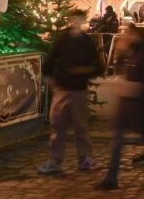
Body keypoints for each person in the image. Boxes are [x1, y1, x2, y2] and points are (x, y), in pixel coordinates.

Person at [95, 26, 144, 190]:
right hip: (126, 105)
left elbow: (142, 83)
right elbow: (122, 71)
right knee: (118, 141)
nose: (125, 36)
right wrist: (121, 53)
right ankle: (111, 178)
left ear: (137, 36)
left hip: (138, 105)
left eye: (129, 33)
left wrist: (125, 87)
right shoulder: (132, 52)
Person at [38, 10, 100, 175]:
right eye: (74, 19)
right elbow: (50, 61)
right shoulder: (63, 39)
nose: (76, 22)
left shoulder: (87, 41)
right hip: (63, 88)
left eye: (79, 19)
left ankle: (85, 158)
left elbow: (97, 65)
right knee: (58, 126)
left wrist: (84, 71)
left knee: (81, 126)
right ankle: (55, 160)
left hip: (78, 88)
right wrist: (51, 80)